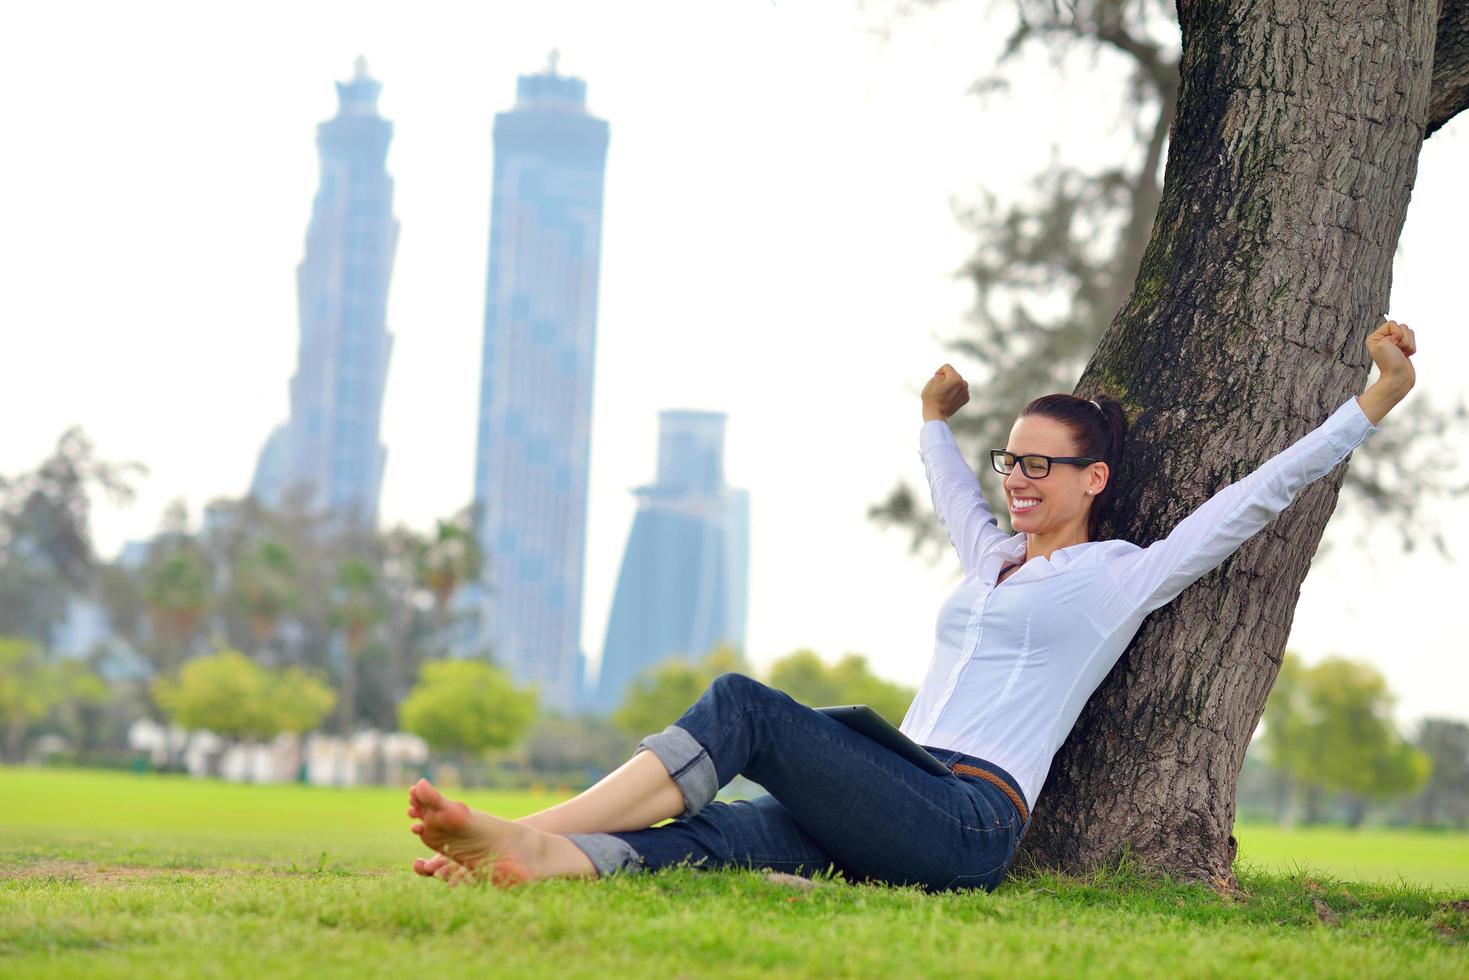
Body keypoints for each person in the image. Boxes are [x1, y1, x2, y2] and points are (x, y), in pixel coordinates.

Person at [405, 318, 1418, 892]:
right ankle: (546, 861)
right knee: (729, 834)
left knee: (744, 703)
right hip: (888, 790)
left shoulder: (1122, 573)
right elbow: (950, 489)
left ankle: (527, 826)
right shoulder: (987, 562)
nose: (1017, 479)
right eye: (1008, 460)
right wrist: (934, 422)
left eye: (1040, 464)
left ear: (1094, 476)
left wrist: (1365, 405)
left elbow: (1255, 498)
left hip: (962, 820)